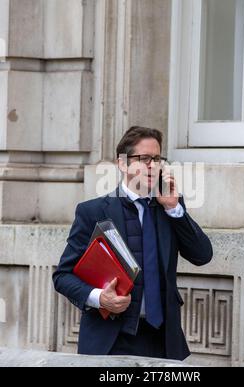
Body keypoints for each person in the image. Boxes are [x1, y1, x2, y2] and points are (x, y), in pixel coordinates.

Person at [52, 126, 213, 360]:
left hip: (163, 340)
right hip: (111, 340)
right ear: (123, 163)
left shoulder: (169, 207)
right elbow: (63, 276)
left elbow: (202, 255)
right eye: (144, 158)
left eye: (157, 159)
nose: (152, 165)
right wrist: (99, 298)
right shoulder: (93, 211)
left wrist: (174, 208)